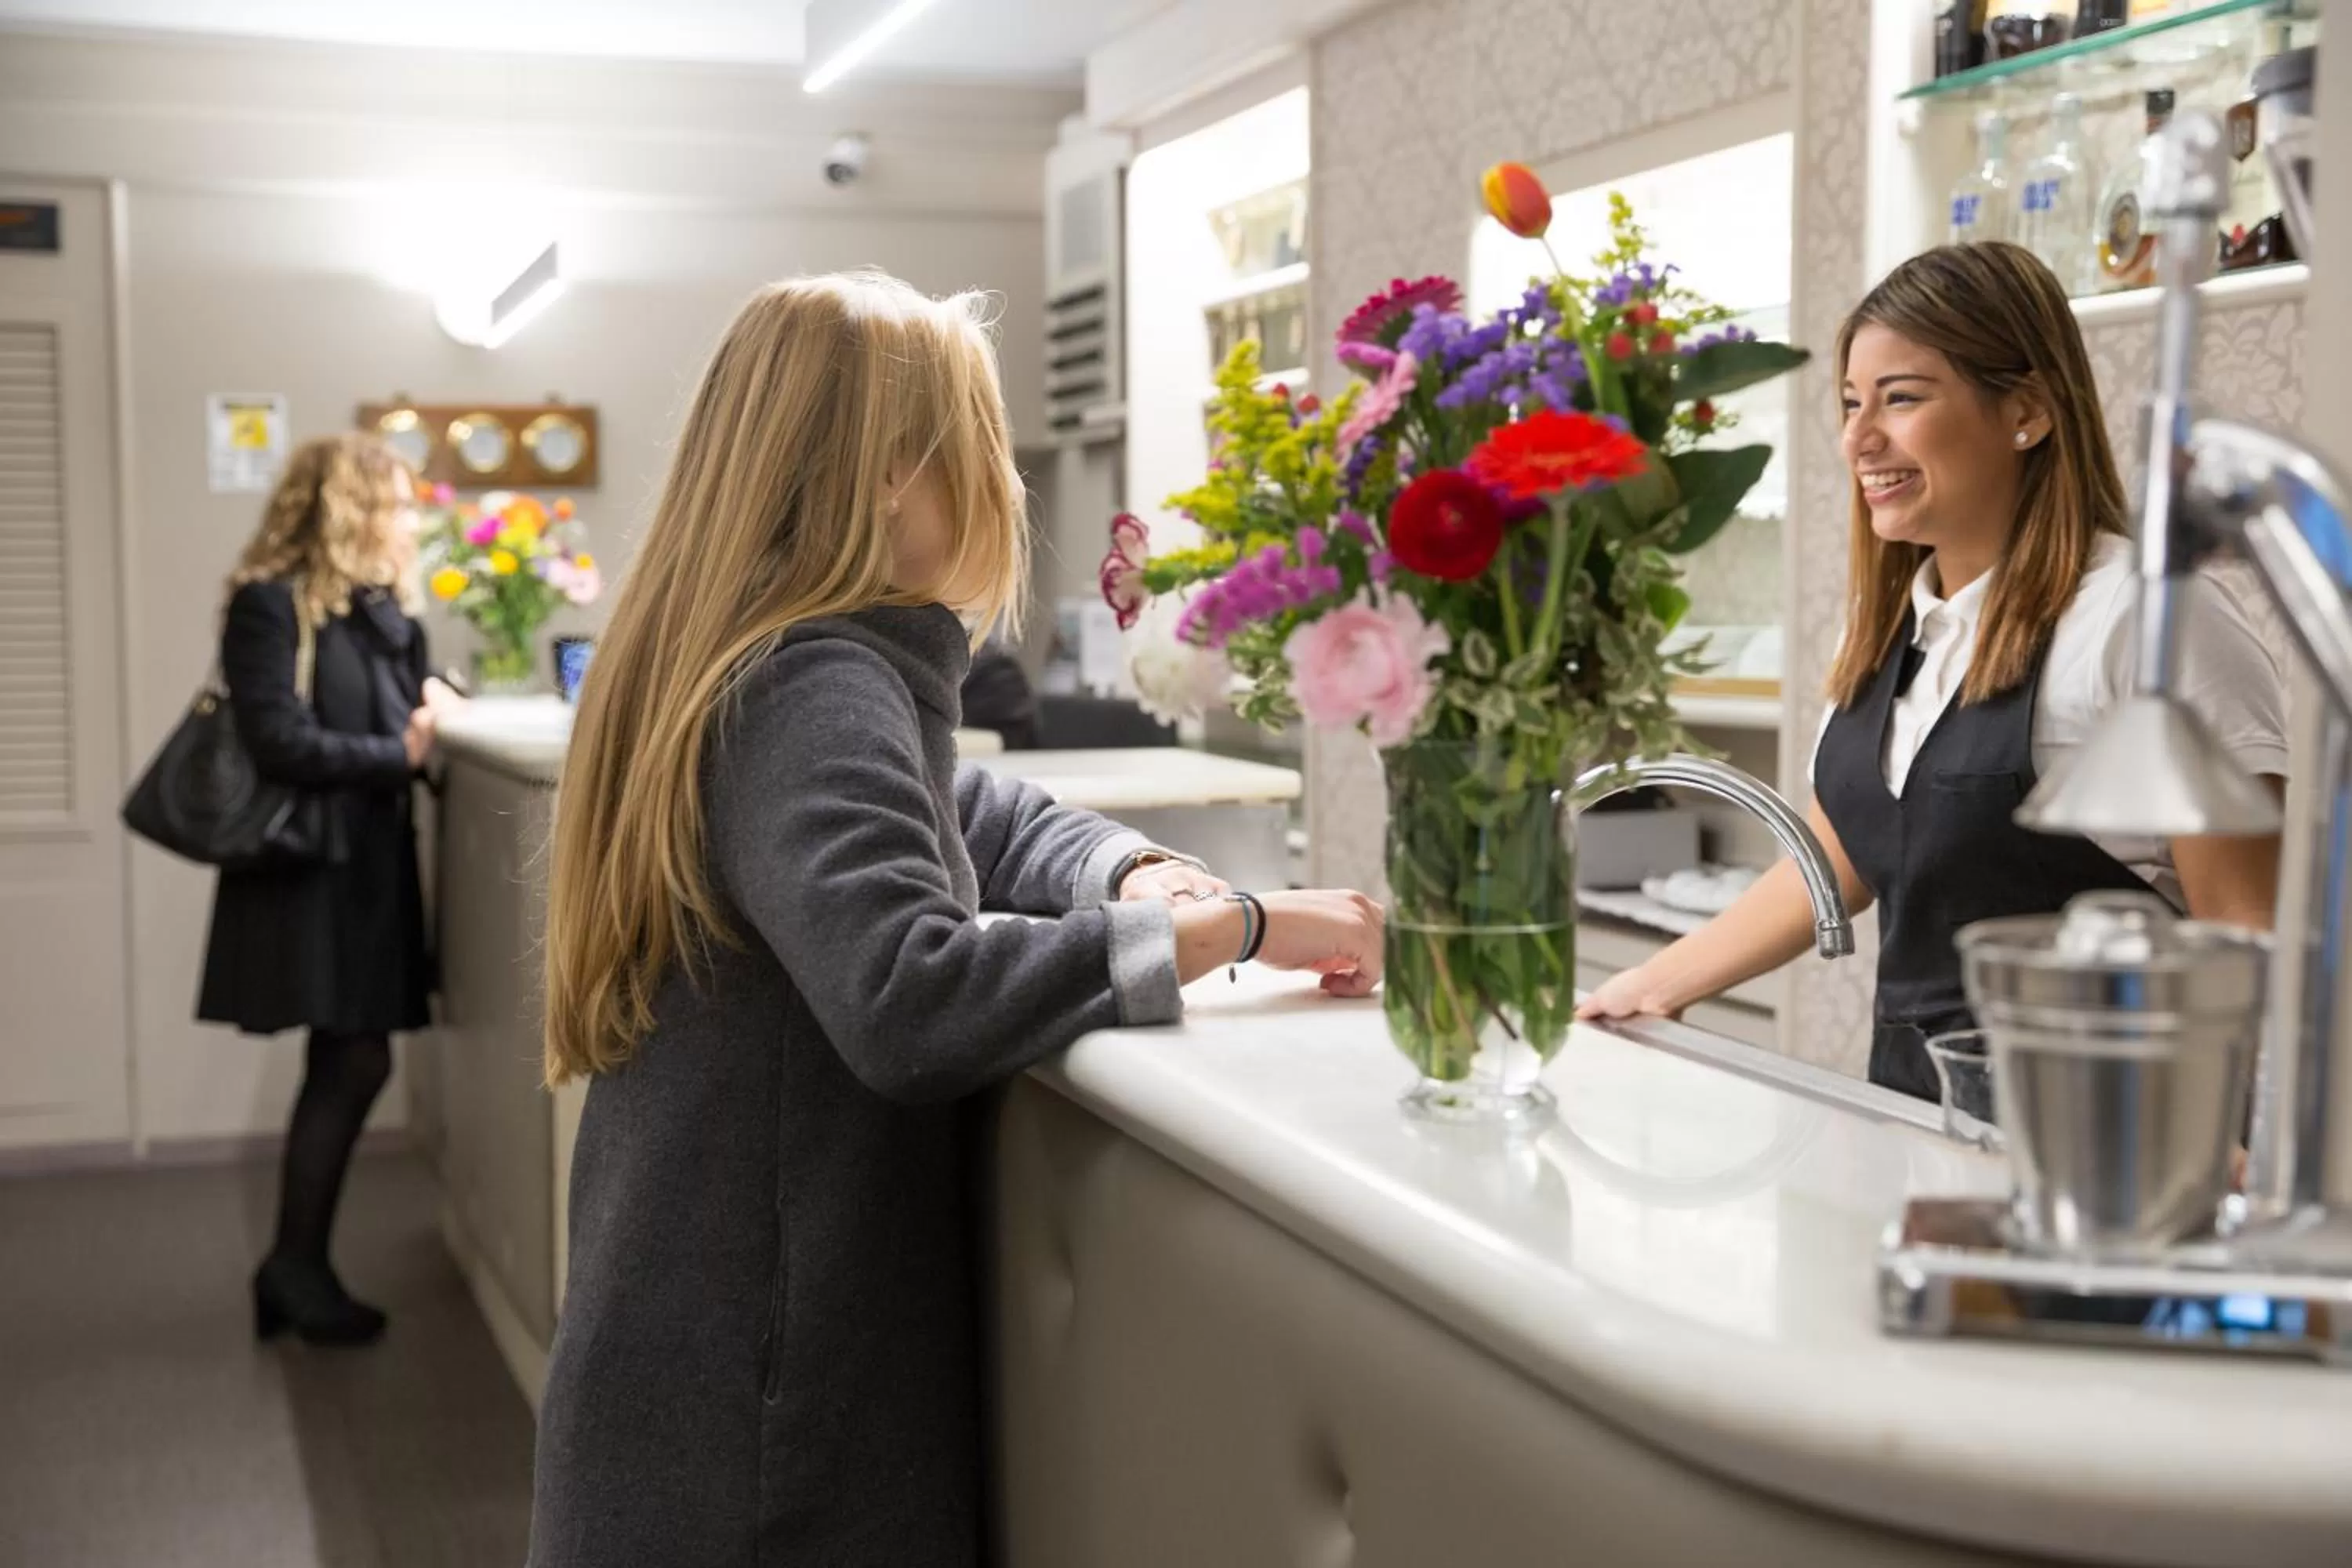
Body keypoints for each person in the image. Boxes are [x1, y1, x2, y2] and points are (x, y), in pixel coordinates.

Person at [527, 272, 1384, 1567]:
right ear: (890, 474)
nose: (998, 483)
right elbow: (905, 995)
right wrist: (1238, 931)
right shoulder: (816, 690)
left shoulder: (762, 664)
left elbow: (969, 811)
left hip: (693, 1376)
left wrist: (1138, 871)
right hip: (761, 1423)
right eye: (977, 445)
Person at [1581, 241, 2286, 1101]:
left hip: (2110, 1142)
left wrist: (2239, 1140)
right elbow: (1844, 850)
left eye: (1901, 399)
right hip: (1918, 1125)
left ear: (2026, 411)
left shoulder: (2142, 618)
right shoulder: (1905, 627)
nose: (1857, 438)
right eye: (1849, 404)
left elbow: (2249, 927)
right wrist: (1647, 987)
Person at [198, 433, 466, 1345]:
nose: (409, 522)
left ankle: (293, 1266)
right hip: (311, 869)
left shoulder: (386, 614)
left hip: (370, 868)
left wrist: (429, 717)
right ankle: (293, 1267)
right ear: (348, 508)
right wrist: (402, 751)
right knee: (353, 1059)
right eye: (394, 504)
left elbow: (394, 725)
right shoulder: (270, 606)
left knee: (351, 1058)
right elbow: (277, 740)